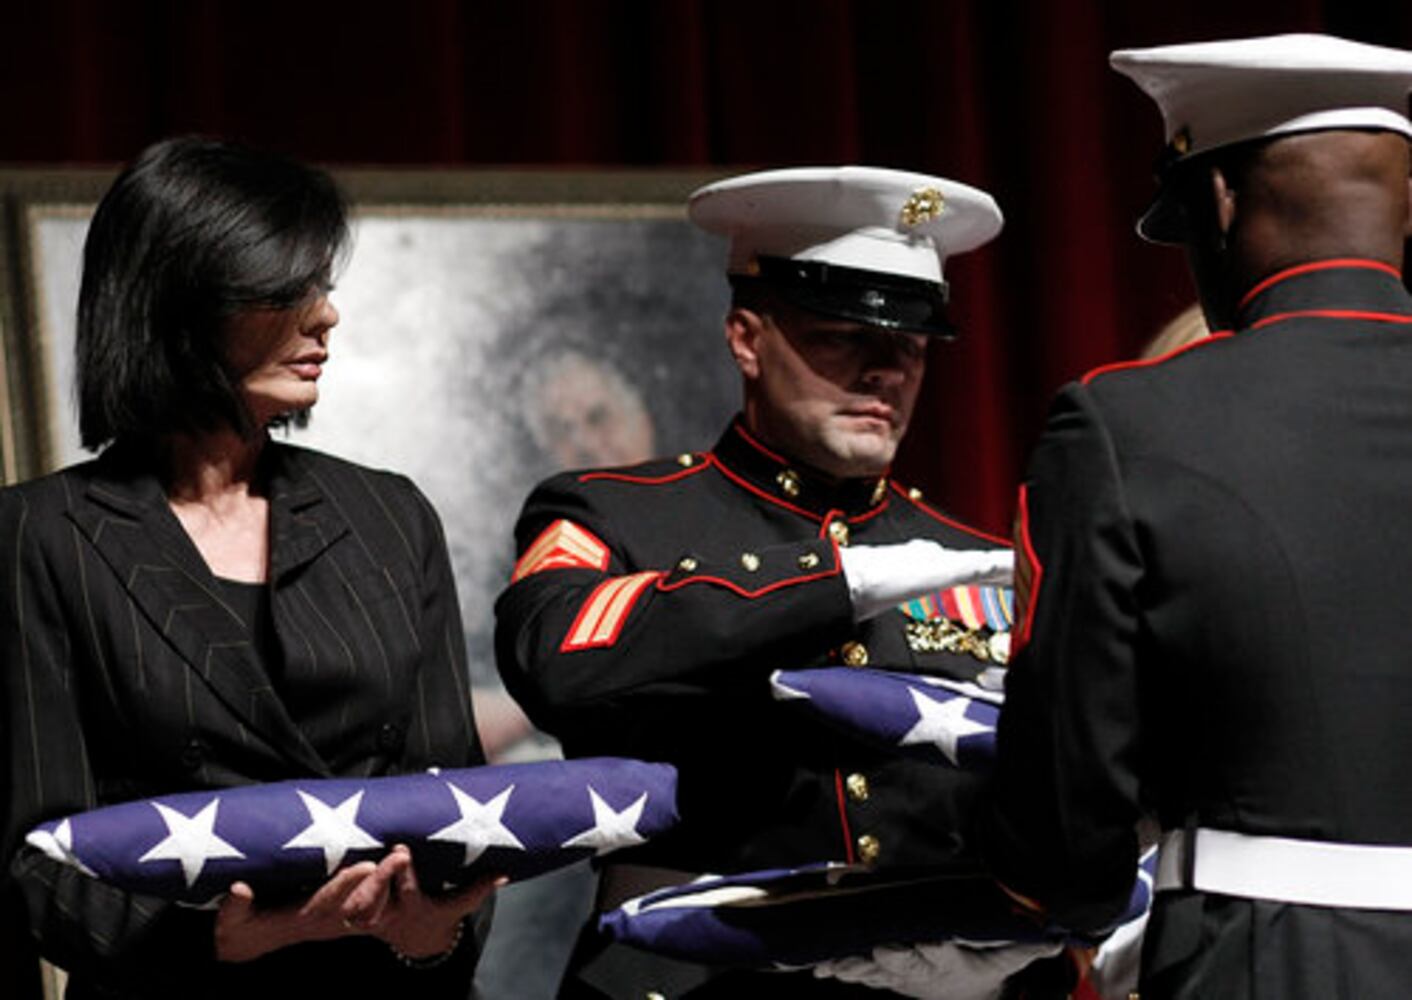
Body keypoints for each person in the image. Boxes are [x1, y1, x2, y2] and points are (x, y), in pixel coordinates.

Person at [496, 166, 1021, 997]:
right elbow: (555, 658)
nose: (885, 372)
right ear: (747, 338)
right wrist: (835, 579)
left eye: (911, 346)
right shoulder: (616, 515)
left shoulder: (977, 561)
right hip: (694, 976)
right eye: (843, 337)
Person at [0, 136, 498, 998]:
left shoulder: (388, 514)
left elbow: (459, 800)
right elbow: (32, 854)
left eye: (323, 285)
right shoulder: (41, 533)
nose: (325, 316)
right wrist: (225, 942)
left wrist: (435, 932)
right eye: (286, 289)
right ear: (179, 304)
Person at [984, 33, 1412, 999]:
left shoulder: (1127, 425)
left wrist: (1050, 891)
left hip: (1268, 954)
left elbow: (1066, 813)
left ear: (1217, 201)